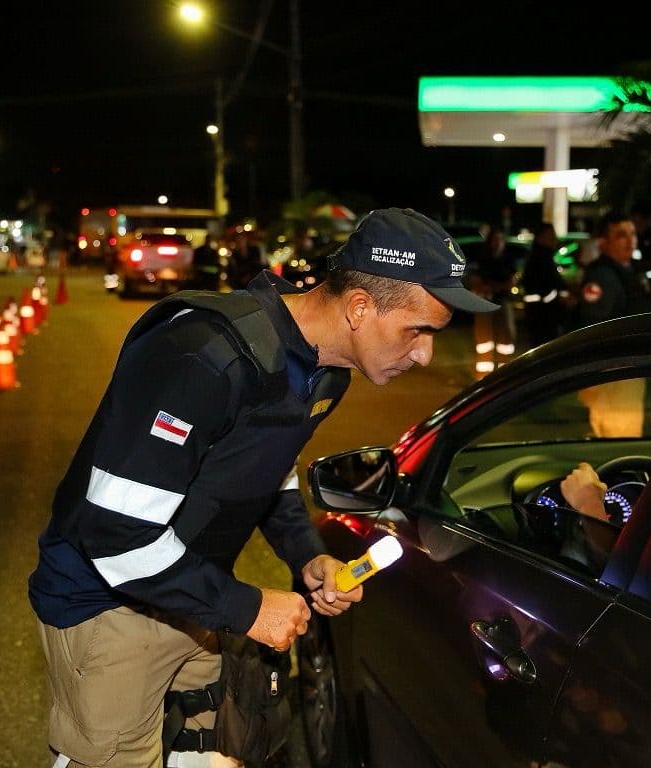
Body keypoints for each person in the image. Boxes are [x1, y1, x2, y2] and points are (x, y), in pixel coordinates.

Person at [26, 207, 499, 768]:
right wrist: (247, 608)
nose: (425, 354)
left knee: (200, 756)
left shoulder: (325, 373)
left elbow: (269, 471)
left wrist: (307, 556)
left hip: (191, 598)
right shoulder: (203, 356)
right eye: (417, 331)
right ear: (359, 308)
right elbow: (114, 535)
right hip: (108, 610)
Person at [571, 210, 651, 437]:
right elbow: (593, 329)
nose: (630, 240)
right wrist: (594, 378)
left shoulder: (630, 271)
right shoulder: (603, 277)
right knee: (619, 440)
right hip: (613, 375)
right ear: (602, 242)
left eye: (632, 233)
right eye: (621, 235)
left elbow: (639, 315)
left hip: (628, 370)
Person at [468, 226, 518, 377]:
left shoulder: (508, 260)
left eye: (500, 240)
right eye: (494, 240)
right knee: (484, 341)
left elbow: (511, 282)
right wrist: (490, 287)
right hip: (484, 303)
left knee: (506, 338)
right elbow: (475, 281)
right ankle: (484, 378)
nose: (497, 243)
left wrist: (492, 287)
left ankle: (505, 375)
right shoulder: (482, 259)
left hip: (503, 302)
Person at [519, 221, 574, 347]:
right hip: (543, 316)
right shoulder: (539, 260)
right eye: (550, 236)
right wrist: (560, 298)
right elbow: (543, 288)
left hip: (543, 315)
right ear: (540, 238)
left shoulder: (544, 258)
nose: (554, 239)